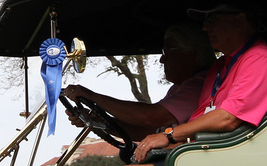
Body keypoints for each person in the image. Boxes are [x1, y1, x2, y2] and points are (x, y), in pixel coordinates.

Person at [91, 4, 267, 166]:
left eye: (212, 19)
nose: (205, 28)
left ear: (239, 20)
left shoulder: (259, 60)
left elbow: (227, 118)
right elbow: (202, 118)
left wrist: (168, 137)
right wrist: (169, 142)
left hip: (230, 161)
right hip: (208, 155)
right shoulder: (222, 66)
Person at [61, 23, 216, 141]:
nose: (162, 59)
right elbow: (146, 131)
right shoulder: (179, 88)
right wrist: (95, 120)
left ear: (190, 54)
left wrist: (92, 97)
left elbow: (150, 117)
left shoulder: (200, 84)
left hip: (184, 162)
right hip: (177, 160)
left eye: (168, 52)